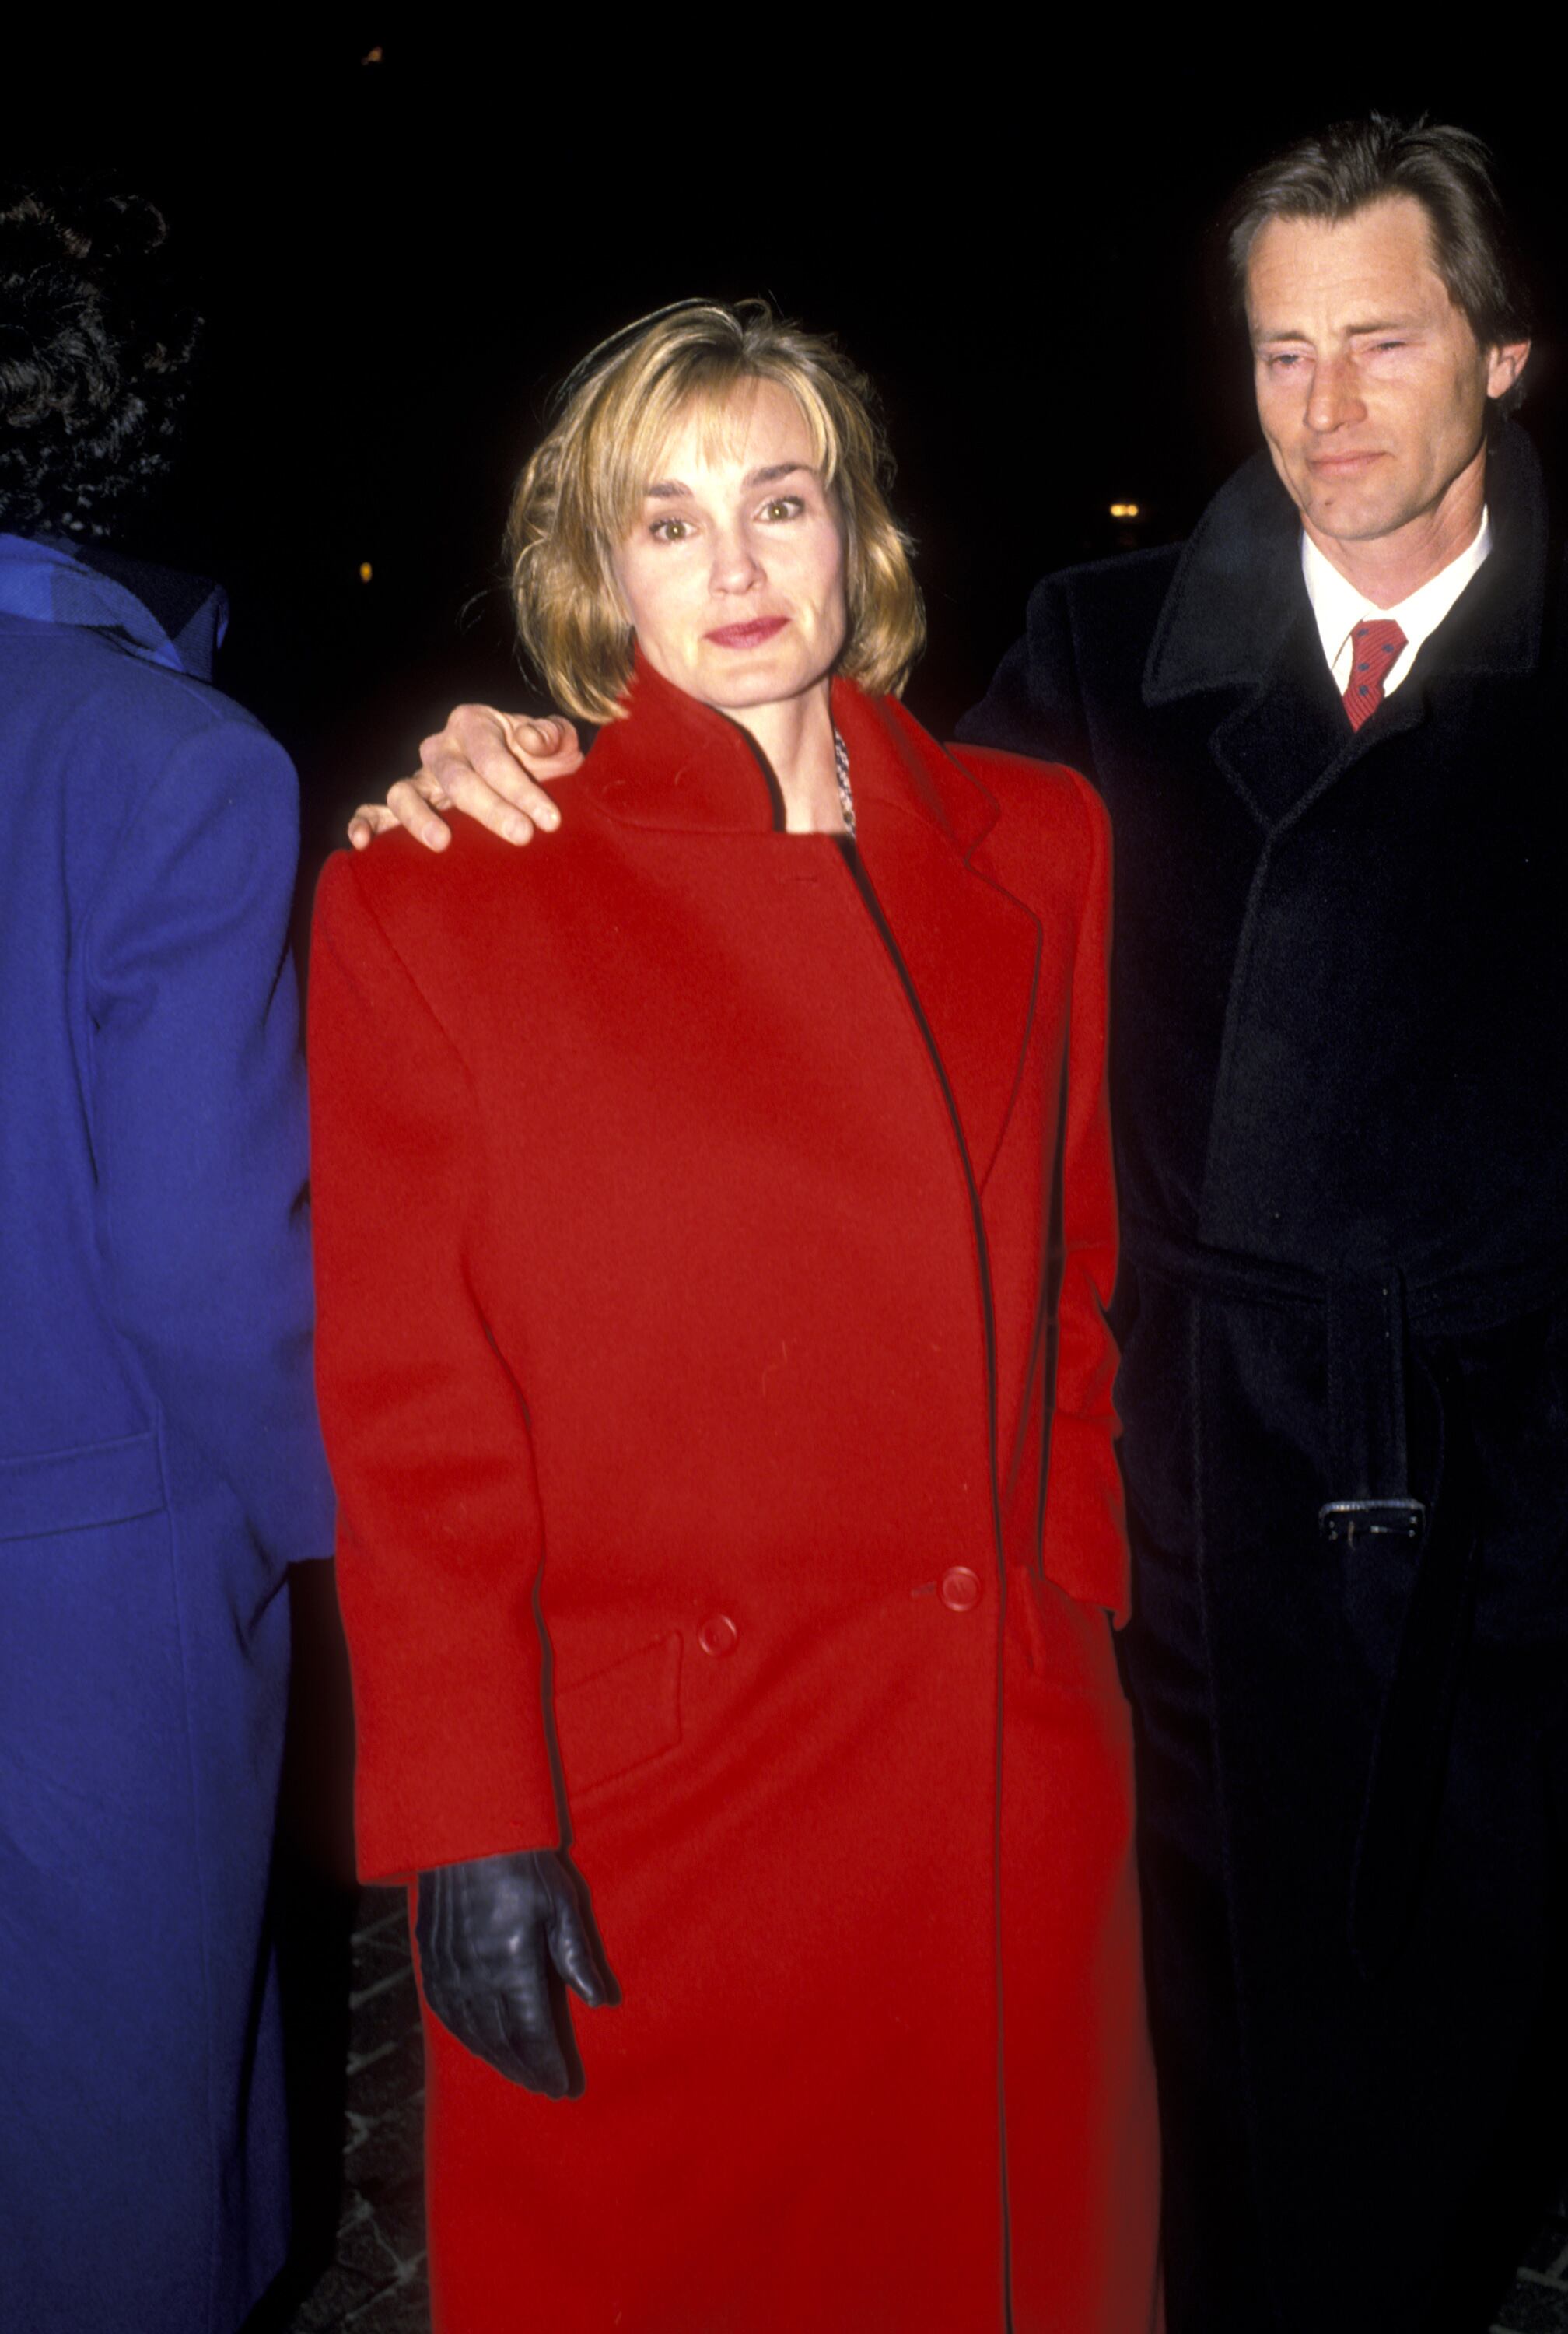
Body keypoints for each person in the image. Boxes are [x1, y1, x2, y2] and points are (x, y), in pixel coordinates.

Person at [373, 121, 1568, 2332]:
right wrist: (505, 758)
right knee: (1162, 2126)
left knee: (1443, 2094)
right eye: (1281, 350)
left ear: (1505, 355)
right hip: (1181, 1527)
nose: (1327, 409)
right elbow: (834, 911)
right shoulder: (1107, 656)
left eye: (1385, 342)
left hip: (1503, 1522)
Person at [306, 301, 1160, 2332]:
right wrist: (469, 1820)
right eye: (668, 524)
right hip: (661, 1810)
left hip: (994, 1768)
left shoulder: (1038, 843)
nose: (739, 572)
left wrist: (1074, 1620)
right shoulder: (442, 896)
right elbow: (414, 1412)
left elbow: (1084, 1274)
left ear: (856, 535)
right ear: (592, 573)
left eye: (780, 504)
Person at [0, 187, 334, 2332]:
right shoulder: (180, 773)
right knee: (113, 2205)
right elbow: (223, 1282)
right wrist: (357, 1536)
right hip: (87, 1622)